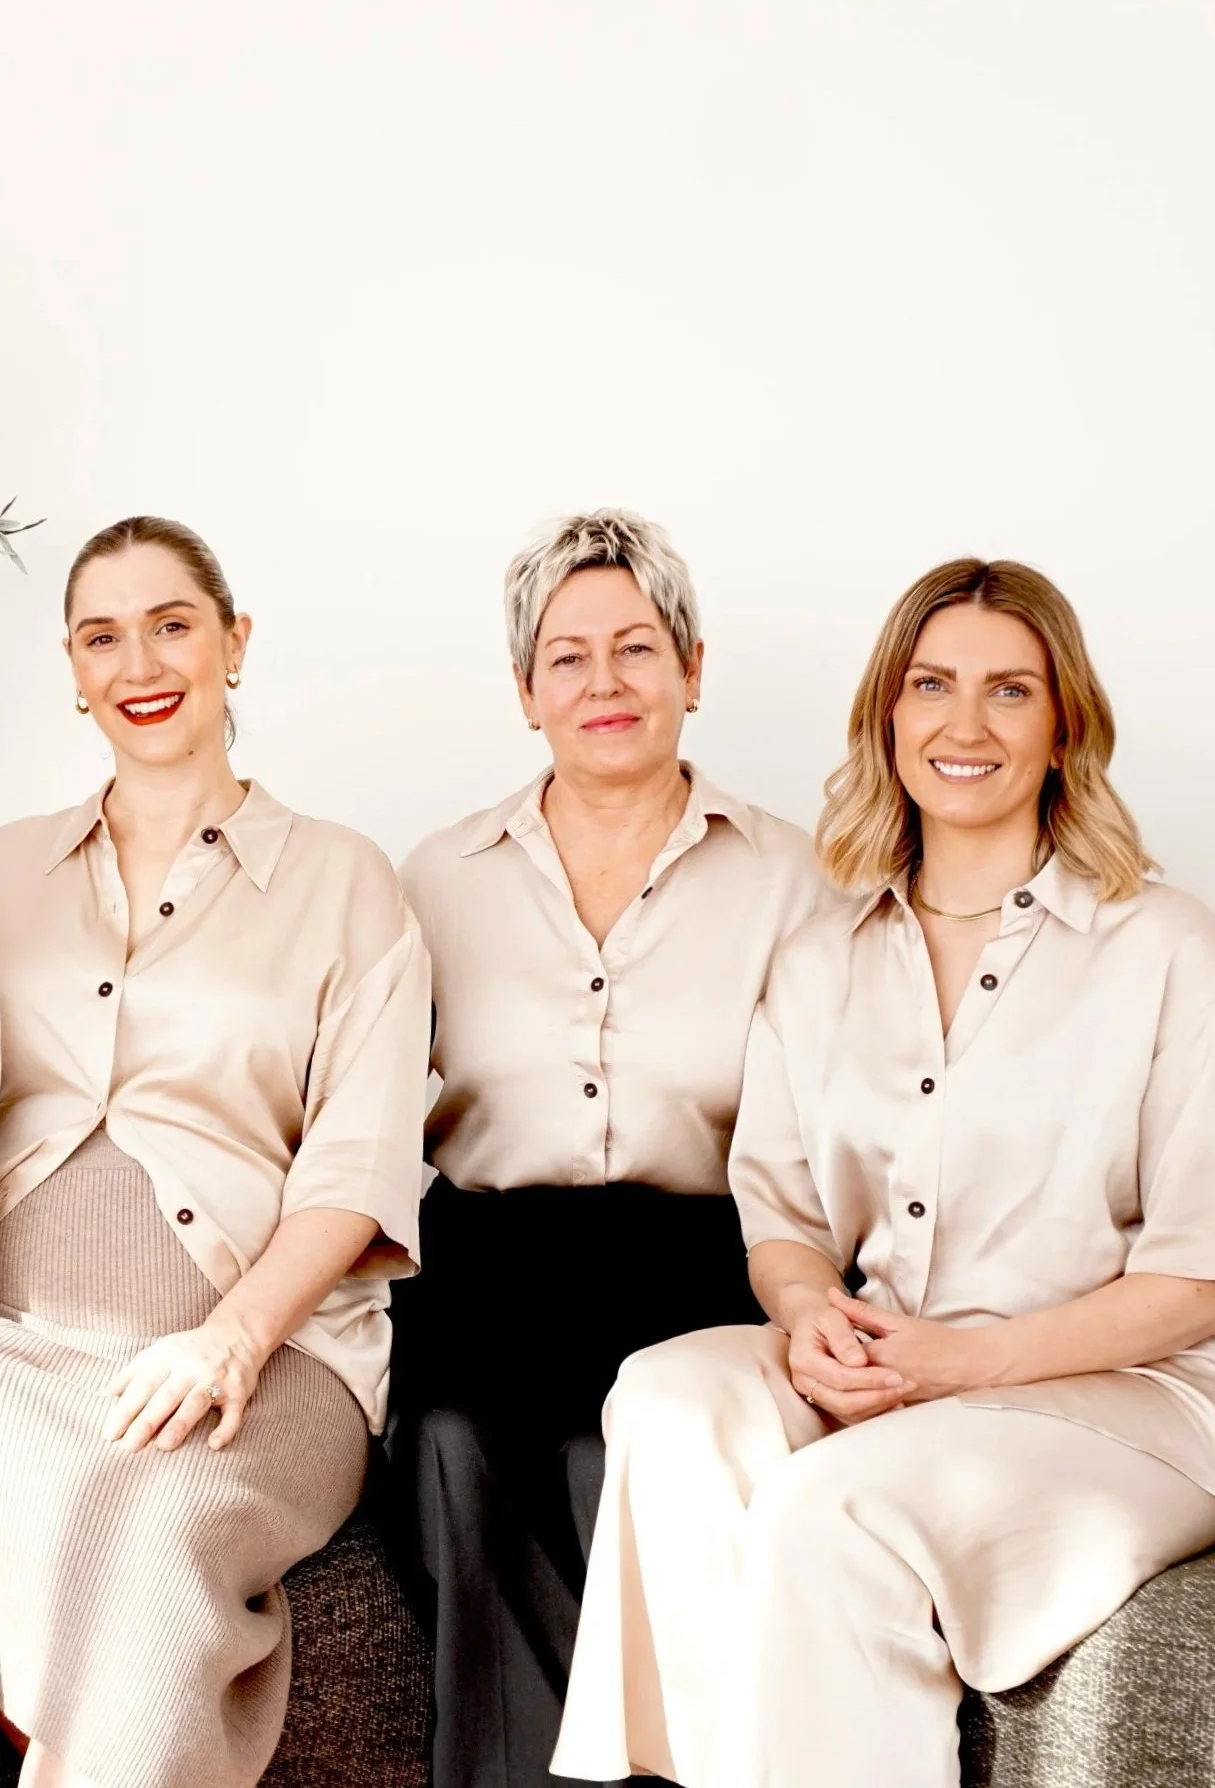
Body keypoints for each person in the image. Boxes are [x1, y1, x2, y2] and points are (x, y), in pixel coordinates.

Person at [552, 556, 1215, 1788]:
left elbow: (1197, 1279)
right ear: (888, 716)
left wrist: (966, 1360)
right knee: (668, 1398)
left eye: (1010, 691)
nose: (966, 724)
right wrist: (806, 1315)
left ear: (1065, 723)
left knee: (831, 1504)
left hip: (1133, 1394)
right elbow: (784, 1216)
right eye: (932, 685)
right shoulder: (820, 957)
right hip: (900, 1358)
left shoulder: (1170, 947)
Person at [386, 509, 831, 1788]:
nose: (605, 683)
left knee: (615, 1456)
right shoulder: (437, 874)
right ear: (526, 692)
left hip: (700, 1260)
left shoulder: (793, 877)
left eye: (637, 648)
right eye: (567, 656)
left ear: (694, 670)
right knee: (457, 1447)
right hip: (485, 1263)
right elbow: (362, 1105)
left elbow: (826, 1127)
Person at [0, 516, 430, 1788]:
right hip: (24, 1337)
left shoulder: (346, 878)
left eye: (172, 622)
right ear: (73, 671)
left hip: (269, 1352)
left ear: (234, 643)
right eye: (102, 634)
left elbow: (359, 1162)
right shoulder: (9, 870)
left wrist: (229, 1338)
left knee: (144, 1530)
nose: (140, 659)